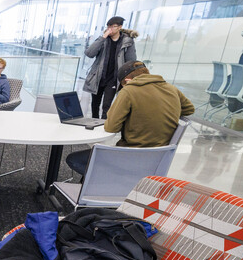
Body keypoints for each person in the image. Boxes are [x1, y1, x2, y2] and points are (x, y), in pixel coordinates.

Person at [65, 60, 193, 175]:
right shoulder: (172, 89)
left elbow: (111, 127)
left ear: (127, 81)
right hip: (156, 160)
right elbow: (189, 109)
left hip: (129, 156)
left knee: (74, 159)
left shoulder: (129, 91)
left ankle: (111, 182)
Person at [82, 16, 138, 121]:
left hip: (113, 79)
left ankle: (103, 127)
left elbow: (131, 61)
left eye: (113, 27)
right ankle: (94, 124)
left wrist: (128, 78)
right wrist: (102, 38)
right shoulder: (103, 40)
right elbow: (89, 53)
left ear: (120, 27)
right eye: (108, 26)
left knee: (106, 106)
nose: (110, 29)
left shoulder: (127, 42)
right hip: (98, 77)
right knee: (95, 105)